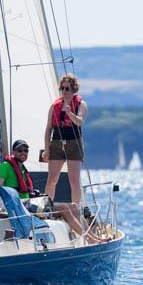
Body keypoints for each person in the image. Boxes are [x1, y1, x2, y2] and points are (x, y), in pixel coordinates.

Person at [43, 73, 87, 203]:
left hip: (74, 143)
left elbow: (79, 121)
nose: (64, 91)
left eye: (67, 88)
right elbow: (48, 128)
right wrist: (46, 148)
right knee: (52, 178)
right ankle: (47, 207)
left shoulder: (81, 104)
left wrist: (69, 112)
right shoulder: (54, 106)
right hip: (57, 142)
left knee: (74, 180)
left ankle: (75, 208)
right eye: (62, 88)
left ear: (74, 89)